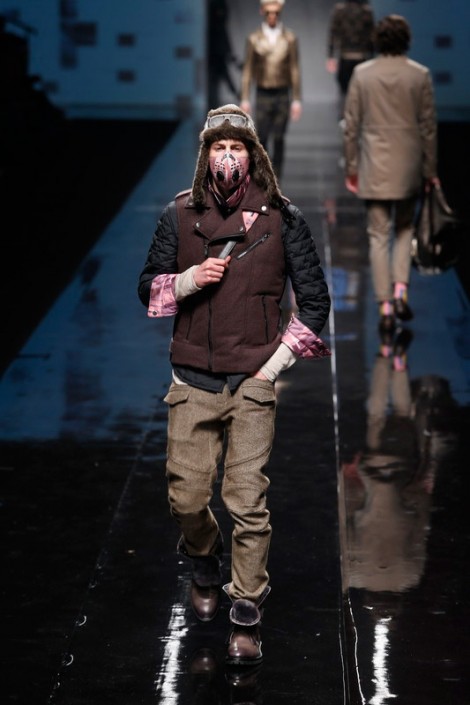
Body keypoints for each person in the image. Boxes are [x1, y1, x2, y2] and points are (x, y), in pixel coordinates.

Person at [138, 103, 331, 665]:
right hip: (192, 379)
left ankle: (246, 609)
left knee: (247, 501)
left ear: (253, 155)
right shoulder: (178, 215)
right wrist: (189, 279)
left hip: (252, 381)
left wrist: (271, 370)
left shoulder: (284, 219)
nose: (227, 156)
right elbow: (148, 287)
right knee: (186, 496)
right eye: (218, 147)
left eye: (236, 147)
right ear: (206, 155)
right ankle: (203, 559)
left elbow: (315, 302)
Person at [342, 14, 439, 333]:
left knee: (378, 235)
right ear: (406, 40)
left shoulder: (362, 74)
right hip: (409, 165)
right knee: (405, 228)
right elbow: (428, 128)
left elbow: (351, 126)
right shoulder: (419, 75)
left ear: (377, 40)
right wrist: (430, 170)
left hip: (374, 165)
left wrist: (352, 167)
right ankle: (400, 291)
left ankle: (384, 305)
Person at [240, 0, 302, 179]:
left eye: (276, 13)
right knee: (262, 136)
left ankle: (277, 178)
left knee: (279, 137)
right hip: (263, 93)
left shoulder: (290, 38)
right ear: (263, 12)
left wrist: (296, 99)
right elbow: (248, 69)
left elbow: (294, 69)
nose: (272, 16)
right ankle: (263, 177)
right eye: (269, 13)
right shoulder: (254, 38)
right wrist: (245, 97)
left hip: (283, 93)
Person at [326, 0, 375, 116]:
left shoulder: (340, 10)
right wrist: (372, 57)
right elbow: (371, 36)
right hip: (361, 56)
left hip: (346, 56)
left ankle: (345, 117)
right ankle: (356, 117)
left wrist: (330, 56)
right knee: (360, 90)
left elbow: (333, 33)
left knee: (345, 91)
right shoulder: (366, 11)